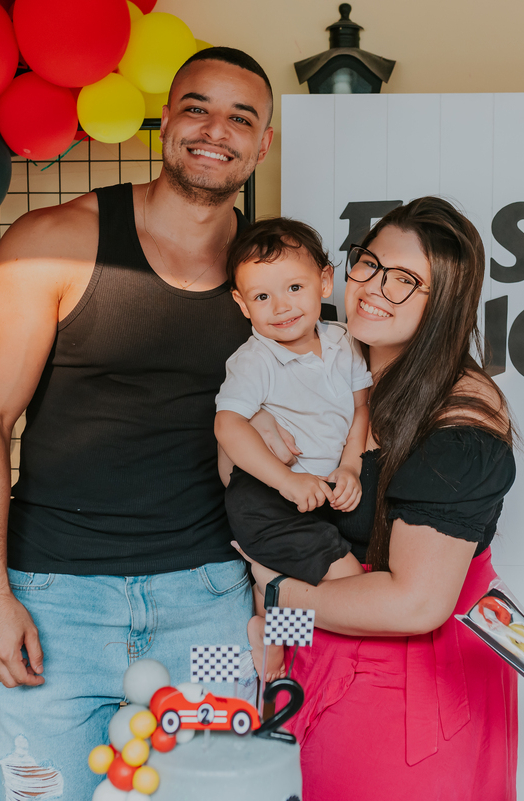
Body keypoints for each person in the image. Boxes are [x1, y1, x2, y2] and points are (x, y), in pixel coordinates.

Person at [0, 47, 274, 800]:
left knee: (213, 792)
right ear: (166, 121)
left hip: (210, 602)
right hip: (54, 603)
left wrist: (271, 613)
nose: (214, 130)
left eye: (240, 118)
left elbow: (300, 446)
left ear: (263, 147)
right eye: (196, 107)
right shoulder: (53, 240)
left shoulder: (272, 277)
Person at [236, 197, 520, 798]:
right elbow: (232, 459)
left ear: (442, 304)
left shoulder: (459, 417)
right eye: (369, 264)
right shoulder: (329, 356)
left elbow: (416, 604)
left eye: (406, 281)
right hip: (327, 648)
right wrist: (257, 428)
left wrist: (280, 593)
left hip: (416, 678)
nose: (374, 289)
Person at [215, 217, 371, 679]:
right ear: (242, 305)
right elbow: (228, 425)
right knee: (347, 578)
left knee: (295, 575)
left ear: (325, 281)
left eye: (295, 288)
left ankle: (272, 643)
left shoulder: (344, 341)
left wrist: (351, 468)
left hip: (313, 493)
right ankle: (289, 652)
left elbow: (362, 408)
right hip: (266, 497)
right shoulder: (255, 359)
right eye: (262, 297)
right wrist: (285, 480)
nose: (281, 307)